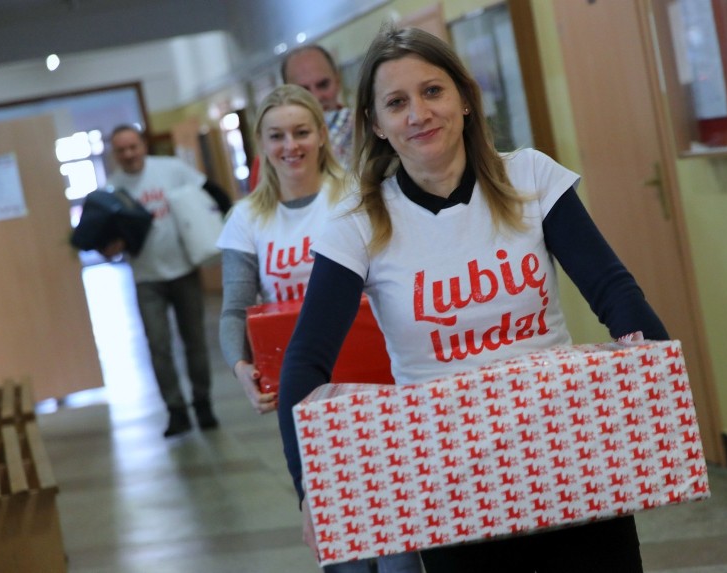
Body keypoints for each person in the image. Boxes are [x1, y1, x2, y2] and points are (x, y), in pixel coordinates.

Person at [277, 25, 670, 573]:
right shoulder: (358, 225)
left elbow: (614, 293)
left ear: (464, 98)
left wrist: (655, 404)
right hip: (450, 480)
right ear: (376, 124)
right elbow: (305, 363)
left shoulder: (530, 176)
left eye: (432, 91)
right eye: (396, 102)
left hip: (565, 451)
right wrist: (310, 492)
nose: (418, 113)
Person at [216, 84, 424, 573]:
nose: (291, 145)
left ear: (322, 137)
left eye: (301, 132)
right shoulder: (247, 218)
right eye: (277, 135)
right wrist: (241, 367)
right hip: (307, 396)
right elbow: (234, 309)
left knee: (398, 540)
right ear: (261, 145)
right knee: (341, 544)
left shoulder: (357, 196)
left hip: (376, 383)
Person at [105, 124, 220, 438]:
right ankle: (176, 411)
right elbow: (107, 243)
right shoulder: (111, 190)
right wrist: (110, 248)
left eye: (133, 146)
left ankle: (203, 403)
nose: (129, 154)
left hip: (184, 269)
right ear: (114, 154)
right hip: (146, 278)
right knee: (158, 346)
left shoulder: (170, 169)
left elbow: (210, 190)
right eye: (121, 150)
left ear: (143, 145)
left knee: (194, 342)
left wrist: (229, 219)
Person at [248, 45, 354, 191]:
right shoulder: (272, 158)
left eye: (323, 85)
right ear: (287, 92)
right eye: (303, 90)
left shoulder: (366, 133)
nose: (316, 98)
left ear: (337, 81)